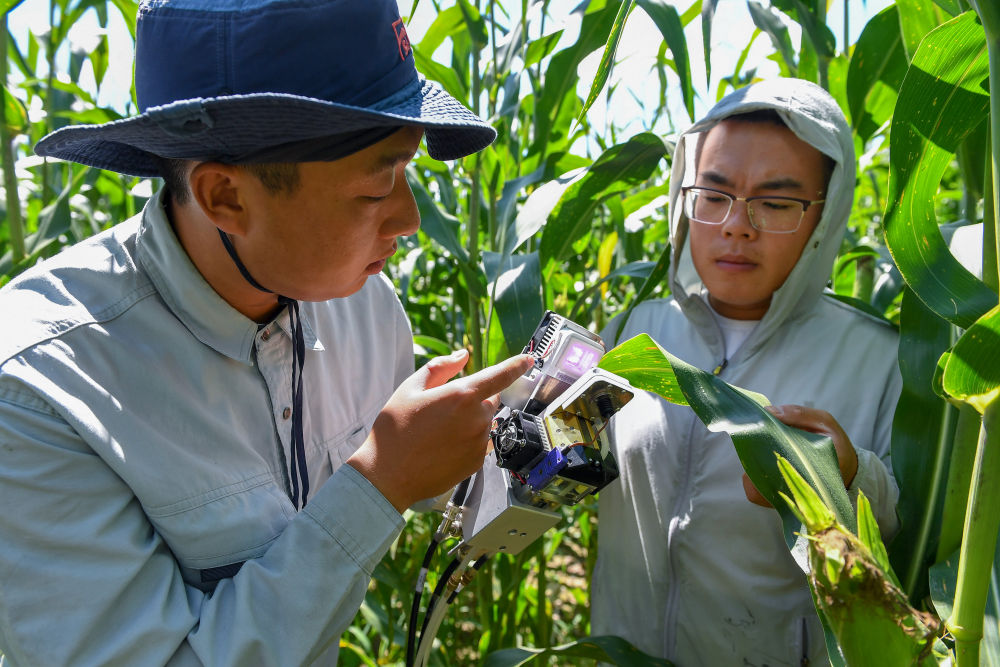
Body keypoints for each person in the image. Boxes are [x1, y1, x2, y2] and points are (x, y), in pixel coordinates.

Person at [0, 1, 533, 665]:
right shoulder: (41, 389)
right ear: (225, 197)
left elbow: (427, 475)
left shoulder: (364, 308)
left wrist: (519, 440)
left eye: (408, 173)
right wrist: (378, 483)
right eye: (378, 187)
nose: (410, 219)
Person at [590, 78, 901, 666]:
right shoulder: (633, 330)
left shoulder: (880, 360)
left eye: (776, 204)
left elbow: (917, 538)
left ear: (825, 217)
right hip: (624, 648)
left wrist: (849, 479)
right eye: (713, 195)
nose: (736, 225)